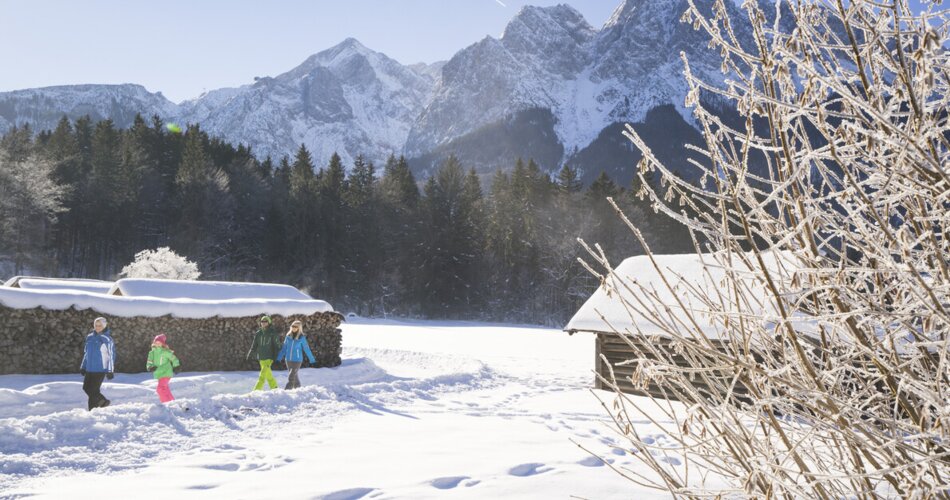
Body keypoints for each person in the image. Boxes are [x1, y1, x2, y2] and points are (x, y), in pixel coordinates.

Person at [79, 316, 115, 410]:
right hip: (89, 369)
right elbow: (86, 353)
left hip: (100, 369)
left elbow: (111, 355)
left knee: (93, 390)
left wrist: (110, 370)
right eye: (96, 325)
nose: (97, 327)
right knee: (86, 388)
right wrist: (83, 366)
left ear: (104, 326)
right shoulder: (90, 337)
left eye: (100, 325)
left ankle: (100, 404)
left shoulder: (107, 339)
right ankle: (99, 404)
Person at [276, 320, 316, 390]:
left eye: (296, 327)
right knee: (295, 377)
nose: (293, 328)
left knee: (291, 377)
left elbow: (306, 349)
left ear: (299, 328)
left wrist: (312, 359)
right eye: (292, 326)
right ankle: (299, 391)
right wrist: (279, 358)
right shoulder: (288, 336)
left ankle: (286, 392)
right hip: (288, 360)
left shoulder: (301, 338)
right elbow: (284, 348)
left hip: (297, 360)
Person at [246, 315, 281, 391]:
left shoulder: (272, 333)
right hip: (261, 357)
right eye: (262, 321)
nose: (263, 323)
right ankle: (275, 389)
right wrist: (250, 354)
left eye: (265, 321)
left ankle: (256, 391)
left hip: (269, 357)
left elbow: (277, 346)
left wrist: (276, 357)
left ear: (269, 322)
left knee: (262, 376)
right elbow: (254, 345)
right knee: (268, 375)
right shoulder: (258, 333)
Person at [146, 333, 181, 403]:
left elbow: (174, 359)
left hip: (166, 372)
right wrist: (150, 367)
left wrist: (176, 366)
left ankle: (166, 403)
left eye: (159, 342)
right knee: (165, 389)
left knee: (160, 389)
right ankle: (173, 402)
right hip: (159, 373)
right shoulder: (152, 353)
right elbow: (149, 362)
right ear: (154, 343)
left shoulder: (165, 352)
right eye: (156, 342)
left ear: (162, 344)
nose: (158, 344)